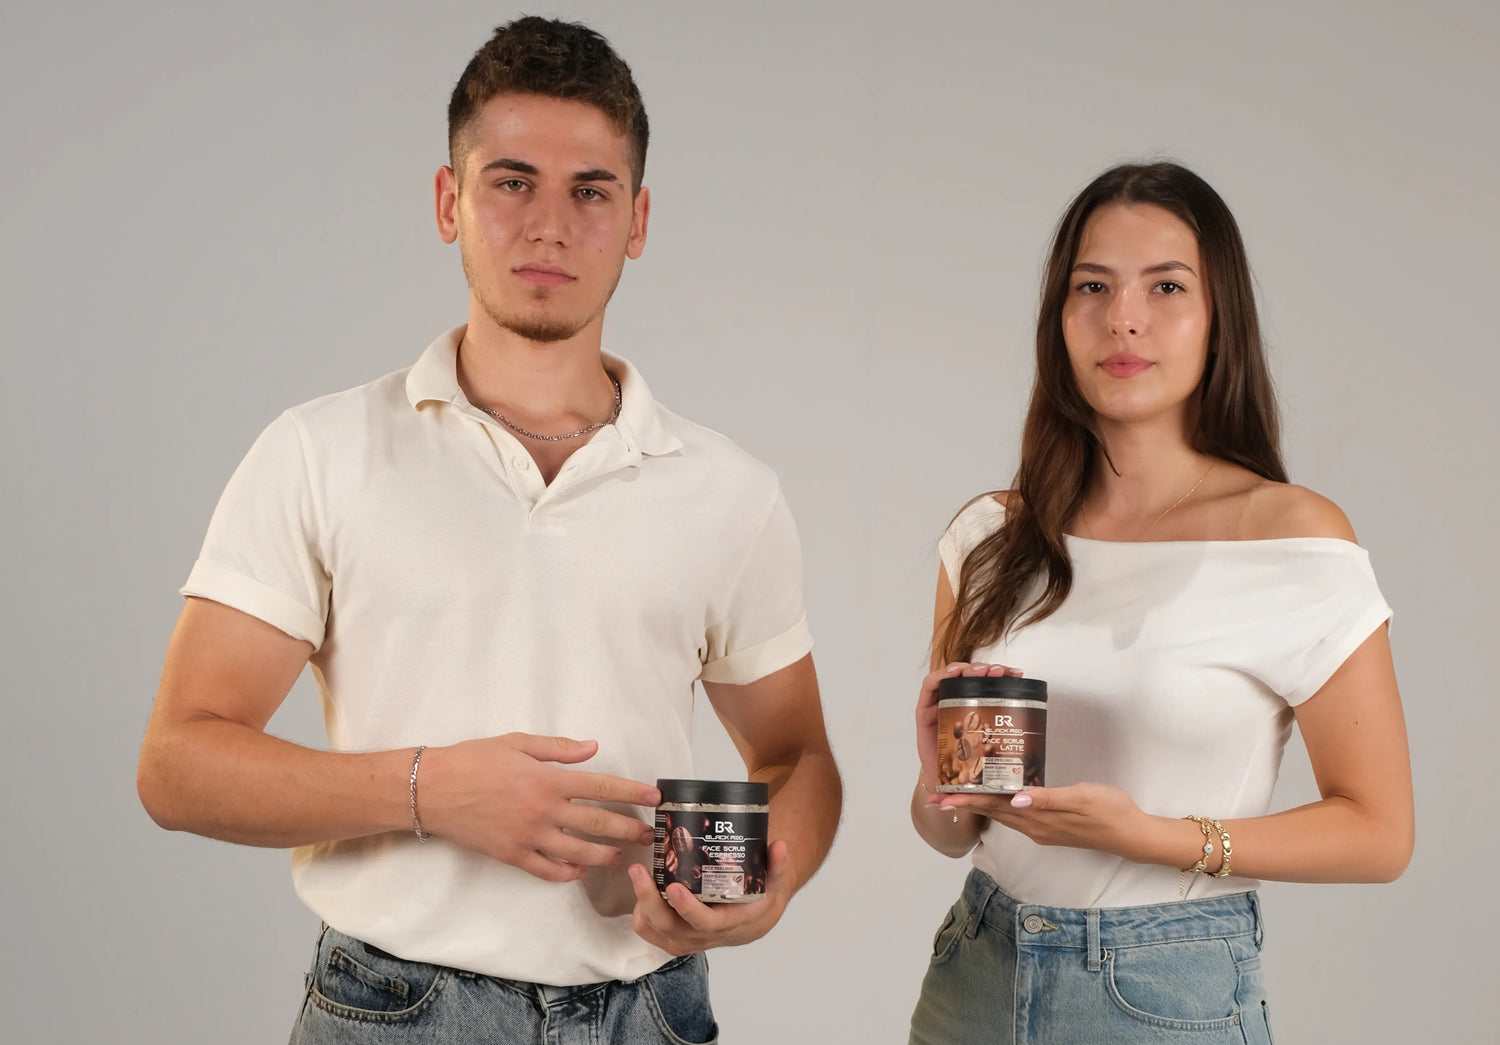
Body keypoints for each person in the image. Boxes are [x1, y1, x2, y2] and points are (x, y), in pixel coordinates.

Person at [136, 16, 841, 1043]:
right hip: (395, 1012)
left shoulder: (730, 491)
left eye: (589, 191)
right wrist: (429, 791)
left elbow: (799, 756)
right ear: (448, 201)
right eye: (512, 181)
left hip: (654, 1012)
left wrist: (770, 882)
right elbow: (178, 763)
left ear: (637, 219)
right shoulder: (320, 453)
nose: (549, 225)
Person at [907, 161, 1412, 1044]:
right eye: (1091, 286)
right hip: (976, 974)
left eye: (1166, 286)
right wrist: (937, 789)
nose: (1123, 318)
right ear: (1058, 318)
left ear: (1220, 319)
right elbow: (952, 833)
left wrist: (1156, 835)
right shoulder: (988, 537)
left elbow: (1380, 833)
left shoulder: (1290, 538)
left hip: (1164, 991)